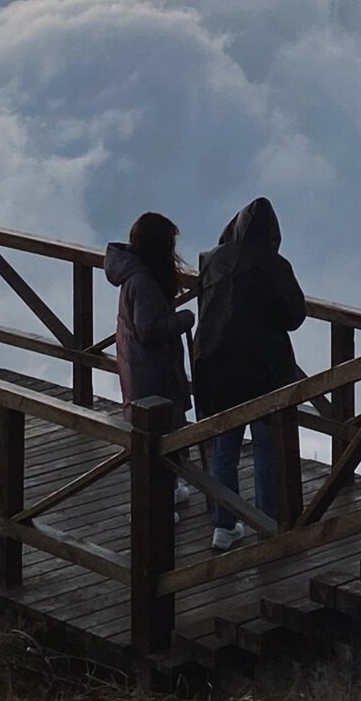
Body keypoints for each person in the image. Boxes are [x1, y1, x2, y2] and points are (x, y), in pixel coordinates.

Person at [192, 197, 306, 551]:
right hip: (262, 366)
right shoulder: (274, 265)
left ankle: (223, 526)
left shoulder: (211, 260)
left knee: (224, 444)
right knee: (266, 442)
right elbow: (294, 316)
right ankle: (267, 521)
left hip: (213, 361)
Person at [104, 212, 196, 510]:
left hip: (138, 366)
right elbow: (149, 330)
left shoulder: (134, 276)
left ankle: (161, 498)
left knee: (154, 436)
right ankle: (156, 508)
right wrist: (182, 320)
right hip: (151, 370)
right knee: (159, 434)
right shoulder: (142, 281)